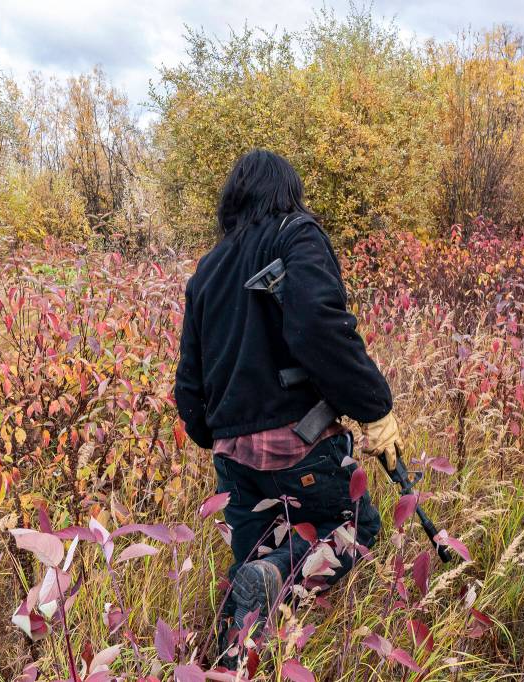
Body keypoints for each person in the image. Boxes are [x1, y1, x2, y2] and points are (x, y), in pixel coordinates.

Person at [174, 149, 403, 657]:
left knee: (247, 572)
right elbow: (320, 329)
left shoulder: (207, 270)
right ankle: (278, 574)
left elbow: (188, 388)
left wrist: (222, 434)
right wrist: (375, 407)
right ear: (287, 192)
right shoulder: (296, 234)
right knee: (354, 530)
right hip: (299, 443)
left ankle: (233, 660)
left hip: (232, 458)